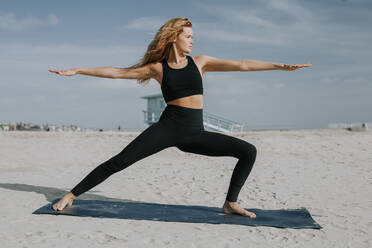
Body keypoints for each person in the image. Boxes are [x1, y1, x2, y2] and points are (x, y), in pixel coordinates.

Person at [49, 17, 311, 218]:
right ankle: (71, 195)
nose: (192, 40)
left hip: (194, 133)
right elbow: (117, 72)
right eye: (188, 36)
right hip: (168, 128)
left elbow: (242, 64)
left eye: (193, 36)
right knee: (120, 161)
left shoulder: (201, 62)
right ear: (174, 37)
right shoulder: (158, 68)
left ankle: (230, 203)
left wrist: (280, 66)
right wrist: (79, 70)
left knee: (248, 151)